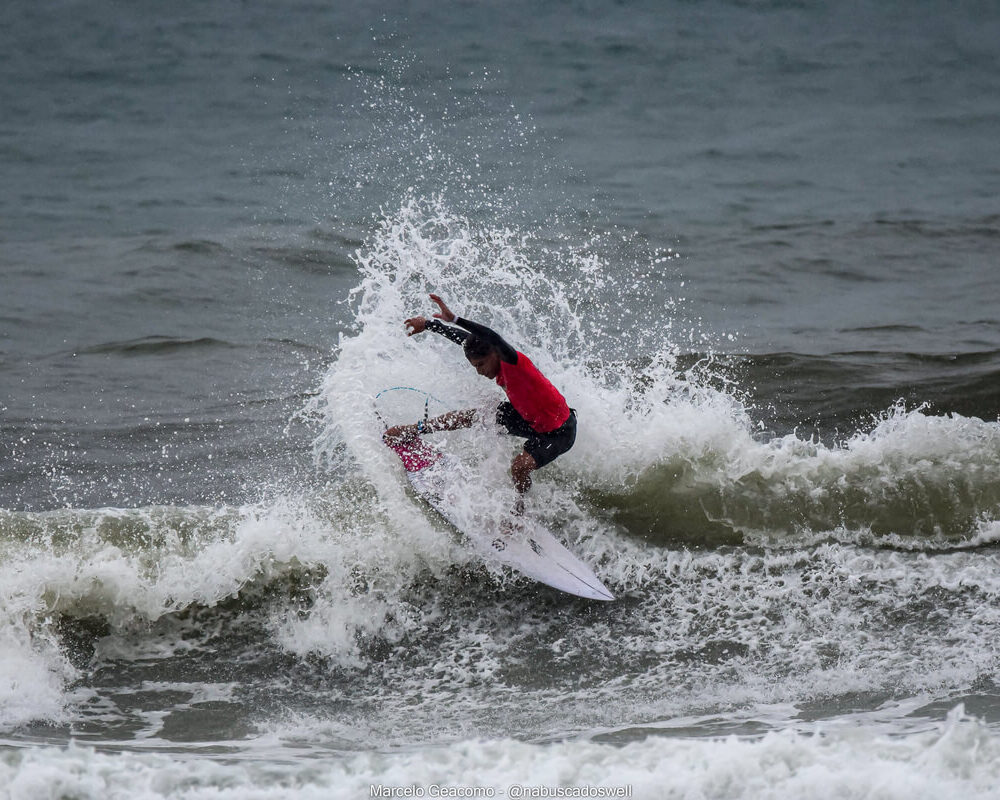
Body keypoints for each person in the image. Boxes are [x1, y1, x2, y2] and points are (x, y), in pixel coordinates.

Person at [384, 294, 576, 513]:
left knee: (519, 467)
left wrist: (455, 318)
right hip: (528, 419)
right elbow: (463, 339)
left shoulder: (514, 362)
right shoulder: (490, 357)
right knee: (472, 416)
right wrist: (429, 324)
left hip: (559, 431)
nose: (480, 371)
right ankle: (413, 430)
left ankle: (519, 511)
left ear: (495, 354)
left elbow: (492, 337)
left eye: (482, 364)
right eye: (475, 366)